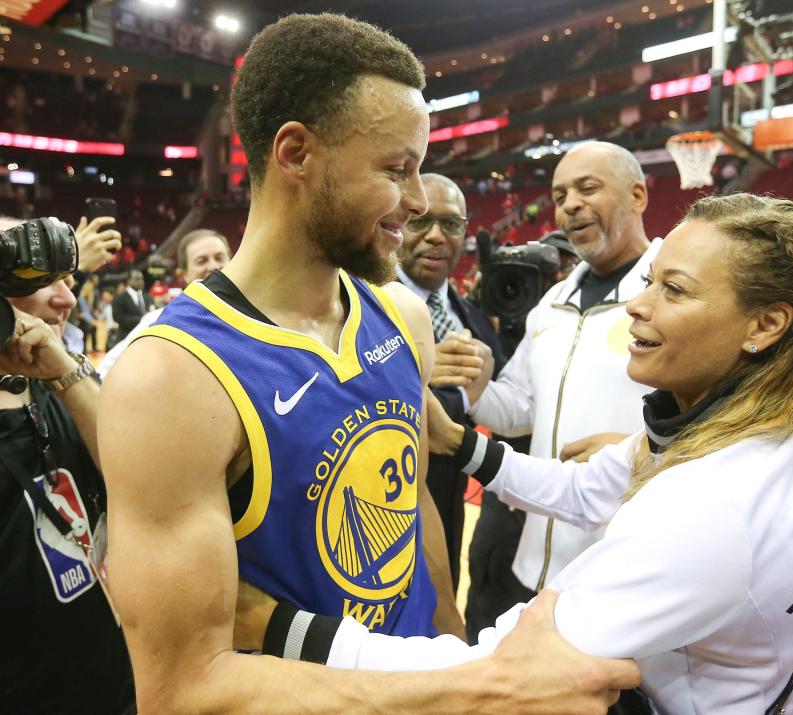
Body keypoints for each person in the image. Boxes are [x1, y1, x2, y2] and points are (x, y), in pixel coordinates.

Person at [97, 14, 637, 714]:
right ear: (296, 153)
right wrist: (474, 686)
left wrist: (448, 639)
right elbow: (181, 687)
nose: (416, 202)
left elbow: (408, 502)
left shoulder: (401, 317)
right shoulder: (170, 377)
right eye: (397, 169)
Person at [243, 193, 793, 715]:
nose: (637, 304)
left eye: (674, 289)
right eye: (651, 281)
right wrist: (458, 443)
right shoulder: (769, 425)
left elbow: (494, 671)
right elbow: (587, 489)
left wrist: (272, 625)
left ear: (765, 325)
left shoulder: (707, 505)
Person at [441, 141, 662, 636]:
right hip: (536, 561)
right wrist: (478, 386)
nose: (570, 205)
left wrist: (653, 453)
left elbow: (723, 417)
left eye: (588, 188)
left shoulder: (673, 292)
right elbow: (519, 410)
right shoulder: (551, 305)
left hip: (622, 567)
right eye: (560, 195)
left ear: (638, 196)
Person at [0, 221, 133, 713]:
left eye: (69, 281)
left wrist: (65, 374)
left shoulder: (64, 383)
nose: (68, 301)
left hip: (115, 681)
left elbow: (135, 477)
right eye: (41, 282)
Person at [395, 173, 505, 590]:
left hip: (451, 502)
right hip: (386, 512)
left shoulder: (475, 318)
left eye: (453, 224)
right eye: (420, 221)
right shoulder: (357, 302)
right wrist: (413, 374)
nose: (438, 237)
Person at [98, 229, 231, 378]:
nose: (213, 266)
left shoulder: (257, 315)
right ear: (184, 274)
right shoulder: (158, 320)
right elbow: (105, 372)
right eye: (202, 260)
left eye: (220, 258)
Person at [111, 269, 147, 342]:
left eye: (142, 279)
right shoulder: (120, 298)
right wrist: (142, 319)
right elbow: (118, 317)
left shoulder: (147, 297)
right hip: (126, 337)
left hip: (144, 338)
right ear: (128, 281)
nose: (140, 281)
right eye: (137, 279)